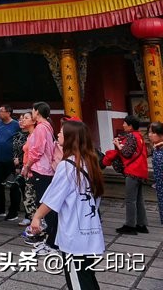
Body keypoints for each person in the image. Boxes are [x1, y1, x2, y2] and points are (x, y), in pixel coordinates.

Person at [29, 119, 105, 290]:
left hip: (74, 235)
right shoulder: (90, 162)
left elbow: (53, 198)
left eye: (62, 132)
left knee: (78, 281)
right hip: (91, 231)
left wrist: (37, 217)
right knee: (87, 276)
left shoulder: (67, 165)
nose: (58, 134)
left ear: (71, 138)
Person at [21, 101, 58, 254]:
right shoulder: (47, 127)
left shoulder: (41, 128)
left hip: (41, 170)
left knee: (44, 205)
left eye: (33, 111)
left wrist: (27, 166)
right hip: (45, 170)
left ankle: (53, 241)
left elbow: (36, 151)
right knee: (45, 203)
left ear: (37, 112)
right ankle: (51, 238)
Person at [113, 115, 149, 235]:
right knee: (139, 199)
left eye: (124, 123)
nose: (123, 125)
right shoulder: (140, 136)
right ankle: (141, 224)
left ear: (130, 126)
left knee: (130, 200)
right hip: (140, 171)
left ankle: (130, 225)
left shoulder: (131, 136)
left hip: (132, 171)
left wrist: (118, 145)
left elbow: (126, 153)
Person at [0, 105, 21, 221]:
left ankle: (13, 212)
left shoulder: (16, 125)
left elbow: (19, 141)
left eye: (1, 111)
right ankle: (0, 209)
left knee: (13, 186)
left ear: (8, 113)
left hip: (11, 161)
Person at [13, 112, 35, 226]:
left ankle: (34, 218)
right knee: (24, 191)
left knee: (31, 193)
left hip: (29, 166)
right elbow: (15, 150)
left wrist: (22, 162)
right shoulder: (17, 135)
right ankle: (28, 215)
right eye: (20, 119)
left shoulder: (33, 135)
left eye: (25, 119)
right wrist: (16, 164)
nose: (21, 121)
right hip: (20, 167)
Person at [150, 121, 163, 225]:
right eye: (149, 132)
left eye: (153, 132)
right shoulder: (156, 148)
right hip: (159, 183)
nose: (150, 135)